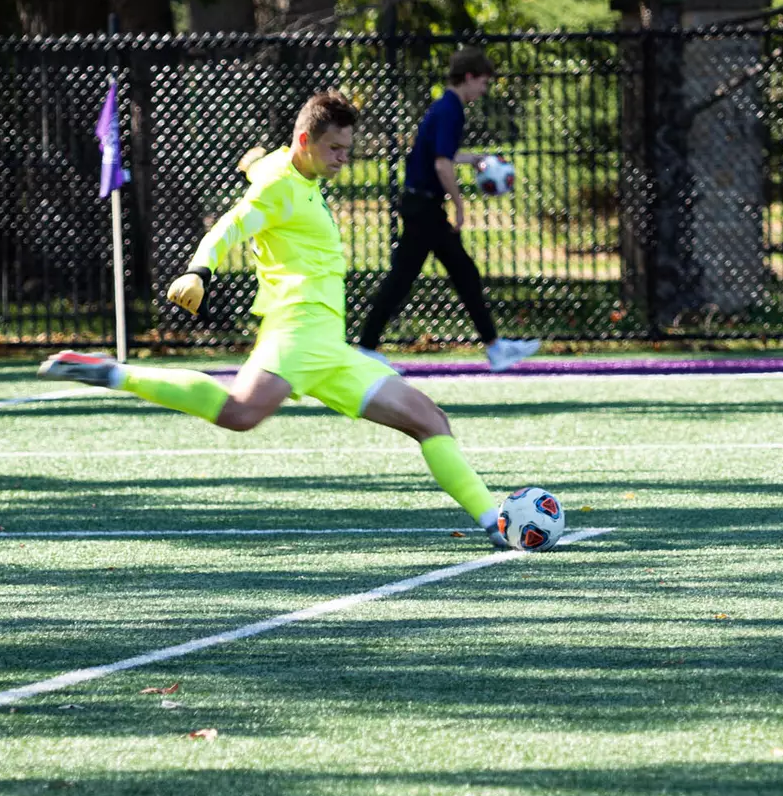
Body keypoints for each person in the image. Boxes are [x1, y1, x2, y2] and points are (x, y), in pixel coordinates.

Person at [37, 89, 509, 548]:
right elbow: (230, 225)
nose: (344, 158)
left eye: (348, 148)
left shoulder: (294, 172)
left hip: (330, 346)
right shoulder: (279, 183)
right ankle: (112, 372)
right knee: (240, 413)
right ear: (305, 142)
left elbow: (270, 166)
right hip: (298, 330)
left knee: (431, 420)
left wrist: (257, 161)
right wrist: (199, 269)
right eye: (335, 148)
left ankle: (497, 522)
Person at [357, 47, 540, 373]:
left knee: (456, 273)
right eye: (483, 83)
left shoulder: (446, 106)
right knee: (413, 277)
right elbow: (442, 164)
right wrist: (459, 205)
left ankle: (495, 347)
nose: (483, 91)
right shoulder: (451, 109)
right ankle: (366, 347)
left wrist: (474, 160)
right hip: (424, 207)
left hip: (420, 204)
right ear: (469, 77)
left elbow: (442, 155)